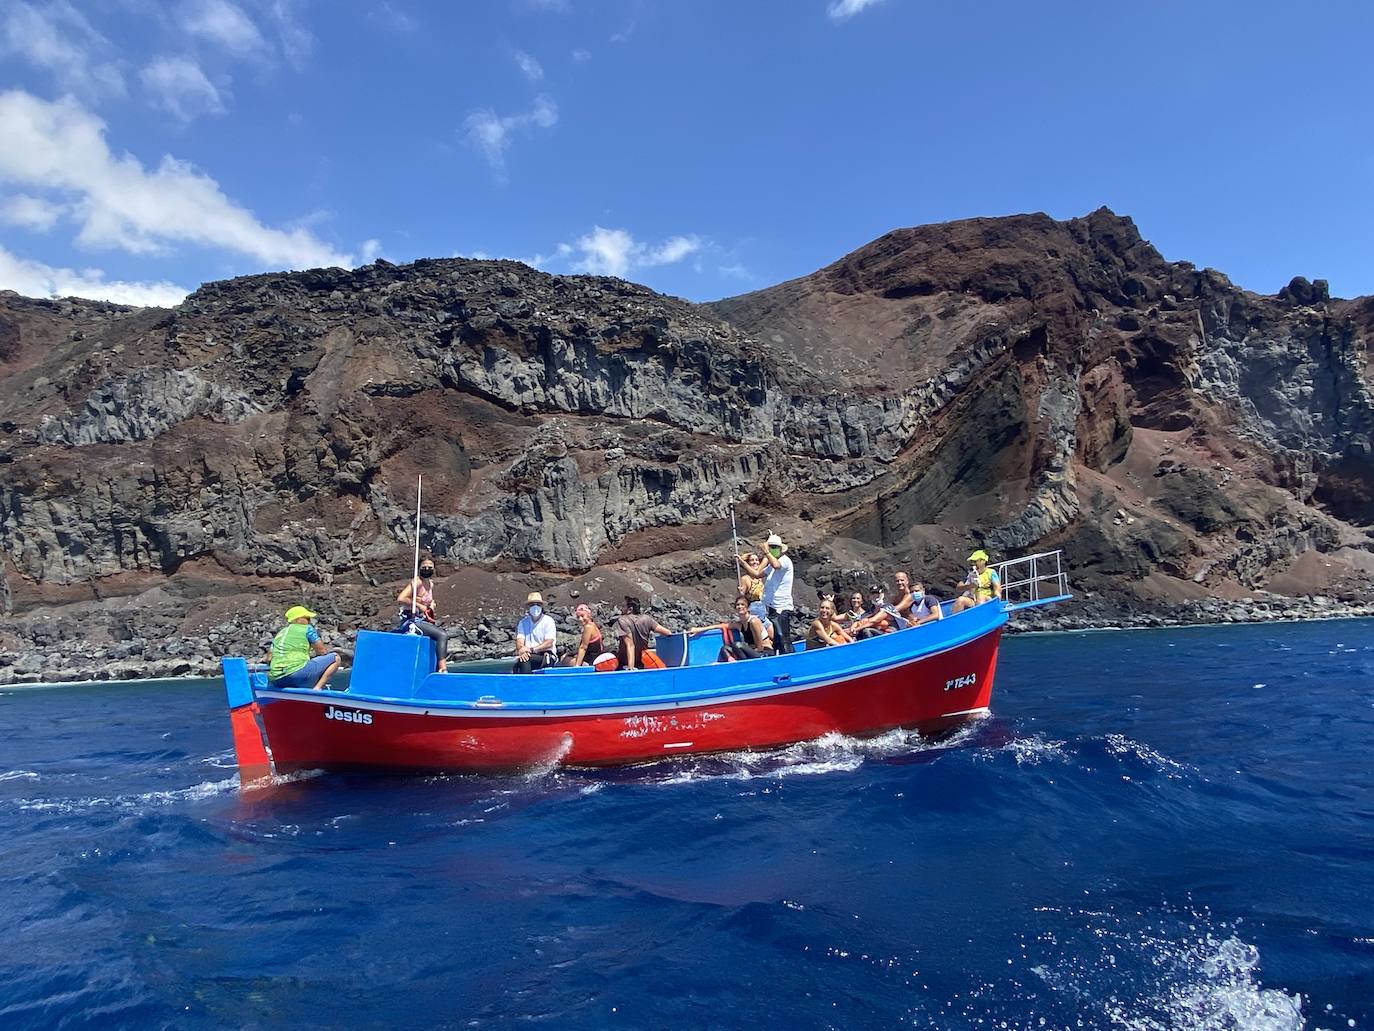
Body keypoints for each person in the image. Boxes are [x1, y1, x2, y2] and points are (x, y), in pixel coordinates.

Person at [267, 605, 340, 691]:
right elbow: (322, 651)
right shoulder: (307, 629)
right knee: (336, 657)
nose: (309, 621)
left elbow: (269, 658)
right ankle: (317, 689)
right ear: (298, 619)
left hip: (276, 679)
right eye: (307, 618)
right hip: (296, 674)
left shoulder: (280, 633)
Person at [396, 553, 447, 672]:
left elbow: (427, 601)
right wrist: (419, 605)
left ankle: (434, 670)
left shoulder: (430, 584)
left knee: (435, 639)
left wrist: (431, 605)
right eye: (424, 567)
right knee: (442, 635)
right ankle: (442, 668)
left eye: (430, 567)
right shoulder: (417, 582)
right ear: (419, 568)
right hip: (412, 620)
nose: (427, 569)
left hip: (423, 619)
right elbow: (401, 598)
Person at [747, 532, 795, 648]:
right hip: (772, 607)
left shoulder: (784, 560)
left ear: (779, 548)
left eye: (774, 547)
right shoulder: (771, 565)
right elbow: (757, 574)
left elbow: (776, 565)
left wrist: (767, 552)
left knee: (783, 636)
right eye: (770, 547)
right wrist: (742, 562)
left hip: (782, 607)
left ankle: (788, 658)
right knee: (778, 638)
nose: (771, 550)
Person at [692, 594, 774, 661]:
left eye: (743, 604)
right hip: (753, 652)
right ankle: (735, 664)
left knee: (737, 645)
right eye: (738, 605)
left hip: (764, 653)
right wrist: (699, 630)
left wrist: (745, 649)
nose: (740, 606)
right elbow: (721, 625)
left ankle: (744, 666)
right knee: (725, 649)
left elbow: (759, 647)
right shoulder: (739, 624)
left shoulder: (753, 621)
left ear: (748, 607)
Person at [615, 596, 673, 670]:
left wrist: (630, 667)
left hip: (625, 663)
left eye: (623, 606)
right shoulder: (647, 619)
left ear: (630, 609)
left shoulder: (623, 620)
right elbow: (668, 632)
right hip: (642, 663)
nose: (621, 609)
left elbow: (630, 644)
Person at [513, 592, 558, 673]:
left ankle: (528, 683)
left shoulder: (548, 621)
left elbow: (549, 643)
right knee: (520, 661)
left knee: (525, 660)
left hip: (546, 655)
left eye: (538, 604)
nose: (535, 607)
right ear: (528, 607)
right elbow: (520, 640)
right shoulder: (523, 622)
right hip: (529, 654)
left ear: (541, 606)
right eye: (532, 604)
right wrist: (522, 650)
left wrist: (532, 650)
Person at [737, 553, 767, 621]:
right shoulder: (745, 579)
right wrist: (740, 592)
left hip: (763, 607)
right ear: (748, 563)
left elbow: (765, 562)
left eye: (756, 560)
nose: (755, 562)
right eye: (752, 560)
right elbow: (741, 597)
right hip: (753, 608)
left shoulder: (758, 577)